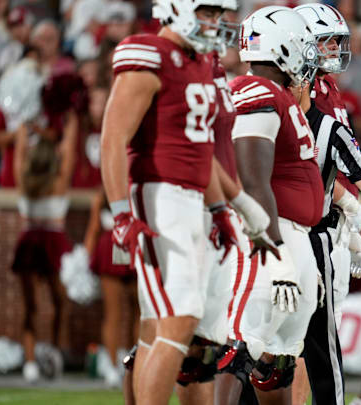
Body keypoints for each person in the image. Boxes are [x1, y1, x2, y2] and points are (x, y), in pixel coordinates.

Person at [100, 0, 241, 403]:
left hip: (194, 200)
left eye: (218, 14)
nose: (214, 23)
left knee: (162, 327)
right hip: (160, 195)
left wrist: (219, 209)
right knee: (179, 322)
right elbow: (113, 139)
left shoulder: (197, 60)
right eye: (207, 12)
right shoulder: (151, 54)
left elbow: (201, 154)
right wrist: (121, 214)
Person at [222, 6, 324, 405]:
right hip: (268, 239)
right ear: (282, 47)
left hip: (293, 236)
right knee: (238, 352)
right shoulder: (257, 91)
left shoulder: (278, 94)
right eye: (302, 44)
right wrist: (277, 255)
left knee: (279, 361)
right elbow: (252, 180)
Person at [292, 4, 361, 405]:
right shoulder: (297, 93)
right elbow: (307, 160)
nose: (335, 49)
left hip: (327, 215)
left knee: (303, 339)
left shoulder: (327, 88)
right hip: (305, 223)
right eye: (326, 40)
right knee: (300, 341)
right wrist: (350, 203)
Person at [12, 93, 78, 383]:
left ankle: (30, 363)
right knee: (60, 302)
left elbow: (18, 150)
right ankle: (51, 350)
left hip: (28, 242)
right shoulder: (59, 181)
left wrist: (27, 124)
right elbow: (71, 146)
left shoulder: (24, 180)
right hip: (52, 242)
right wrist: (72, 115)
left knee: (30, 306)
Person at [84, 188, 139, 388]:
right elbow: (93, 228)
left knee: (120, 313)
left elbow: (93, 230)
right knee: (130, 313)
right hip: (123, 243)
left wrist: (85, 256)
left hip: (120, 243)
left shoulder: (105, 192)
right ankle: (129, 367)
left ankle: (121, 368)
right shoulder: (108, 194)